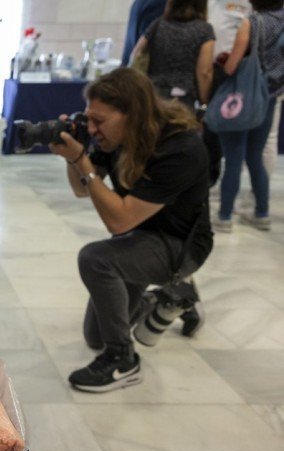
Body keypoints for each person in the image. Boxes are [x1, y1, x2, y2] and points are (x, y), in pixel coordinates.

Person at [49, 68, 213, 392]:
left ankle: (123, 361)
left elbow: (119, 220)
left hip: (179, 246)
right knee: (96, 336)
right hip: (139, 236)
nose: (92, 129)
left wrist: (82, 160)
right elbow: (82, 189)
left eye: (99, 121)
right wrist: (74, 157)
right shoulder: (114, 137)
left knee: (96, 259)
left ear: (132, 115)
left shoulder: (180, 148)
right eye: (89, 119)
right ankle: (171, 295)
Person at [216, 0, 284, 231]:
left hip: (244, 95)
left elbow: (232, 66)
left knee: (234, 158)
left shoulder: (252, 22)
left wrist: (223, 63)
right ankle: (262, 213)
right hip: (270, 95)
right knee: (255, 156)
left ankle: (225, 216)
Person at [131, 0, 216, 108]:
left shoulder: (158, 24)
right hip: (183, 99)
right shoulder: (205, 30)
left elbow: (136, 54)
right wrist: (204, 100)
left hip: (153, 95)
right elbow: (204, 71)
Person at [121, 0, 168, 66]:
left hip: (132, 64)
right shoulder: (161, 3)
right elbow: (147, 38)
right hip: (144, 67)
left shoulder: (140, 2)